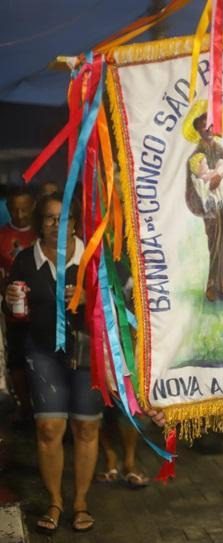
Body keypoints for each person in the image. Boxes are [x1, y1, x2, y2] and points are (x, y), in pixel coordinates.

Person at [3, 193, 103, 534]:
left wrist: (91, 299)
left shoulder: (91, 255)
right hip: (43, 350)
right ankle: (56, 501)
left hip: (87, 351)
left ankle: (81, 503)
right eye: (49, 218)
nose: (57, 225)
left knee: (86, 428)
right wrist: (10, 299)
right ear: (39, 223)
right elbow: (15, 309)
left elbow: (116, 304)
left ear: (75, 221)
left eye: (64, 218)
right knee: (48, 429)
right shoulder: (25, 261)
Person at [183, 107, 223, 305]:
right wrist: (205, 206)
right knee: (214, 245)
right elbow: (192, 189)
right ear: (197, 128)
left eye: (210, 125)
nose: (207, 129)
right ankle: (213, 285)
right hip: (210, 209)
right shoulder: (194, 158)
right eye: (202, 125)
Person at [0, 187, 37, 421]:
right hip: (14, 309)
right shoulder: (2, 235)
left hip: (41, 309)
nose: (20, 214)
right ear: (7, 207)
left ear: (33, 206)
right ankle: (24, 407)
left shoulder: (41, 233)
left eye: (24, 208)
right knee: (16, 359)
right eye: (14, 209)